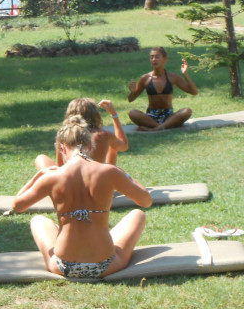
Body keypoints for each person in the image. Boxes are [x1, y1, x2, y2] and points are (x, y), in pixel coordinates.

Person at [12, 116, 152, 279]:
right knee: (137, 214)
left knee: (38, 220)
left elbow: (17, 206)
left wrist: (39, 175)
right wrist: (124, 174)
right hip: (105, 265)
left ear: (62, 149)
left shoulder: (51, 177)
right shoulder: (109, 172)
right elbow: (146, 201)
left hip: (64, 266)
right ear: (90, 145)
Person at [35, 98, 128, 169]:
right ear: (96, 115)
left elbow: (60, 167)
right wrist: (114, 114)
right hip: (98, 181)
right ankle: (110, 178)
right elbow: (124, 146)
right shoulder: (104, 135)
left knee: (41, 158)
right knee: (113, 146)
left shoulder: (63, 135)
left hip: (71, 183)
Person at [127, 46, 198, 131]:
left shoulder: (172, 77)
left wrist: (185, 75)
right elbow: (131, 99)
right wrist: (132, 92)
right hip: (151, 116)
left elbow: (194, 92)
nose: (154, 59)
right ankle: (164, 126)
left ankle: (154, 129)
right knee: (133, 113)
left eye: (157, 57)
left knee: (187, 111)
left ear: (165, 58)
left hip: (169, 116)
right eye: (151, 57)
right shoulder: (145, 78)